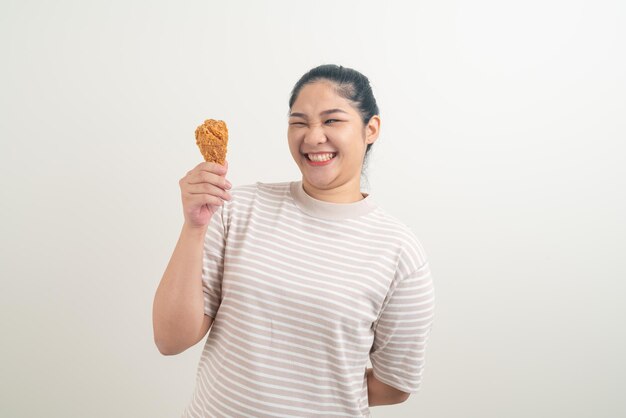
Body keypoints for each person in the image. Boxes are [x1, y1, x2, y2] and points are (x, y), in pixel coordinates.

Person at [152, 64, 436, 417]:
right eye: (299, 122)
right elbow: (170, 340)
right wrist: (194, 227)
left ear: (371, 128)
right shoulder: (237, 208)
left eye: (332, 121)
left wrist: (312, 394)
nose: (313, 136)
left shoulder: (399, 253)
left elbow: (394, 386)